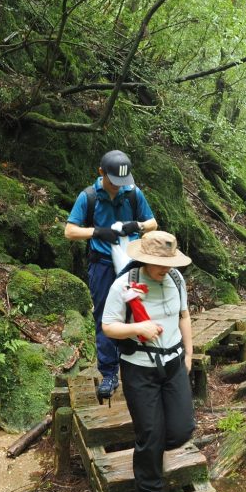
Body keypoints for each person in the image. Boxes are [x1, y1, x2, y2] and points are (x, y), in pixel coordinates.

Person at [102, 230, 194, 492]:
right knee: (150, 433)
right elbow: (108, 326)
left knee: (181, 430)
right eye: (158, 263)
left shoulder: (176, 280)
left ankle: (150, 458)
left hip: (174, 363)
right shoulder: (124, 284)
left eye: (167, 263)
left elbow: (184, 316)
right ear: (142, 258)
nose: (163, 269)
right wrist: (138, 326)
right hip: (139, 368)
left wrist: (189, 355)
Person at [65, 150, 157, 400]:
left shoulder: (133, 193)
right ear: (101, 173)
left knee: (136, 311)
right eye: (114, 181)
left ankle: (138, 365)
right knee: (105, 316)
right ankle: (108, 372)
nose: (118, 187)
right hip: (103, 265)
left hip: (132, 263)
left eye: (122, 182)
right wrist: (97, 232)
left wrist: (135, 226)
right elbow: (70, 231)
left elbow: (152, 223)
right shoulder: (89, 197)